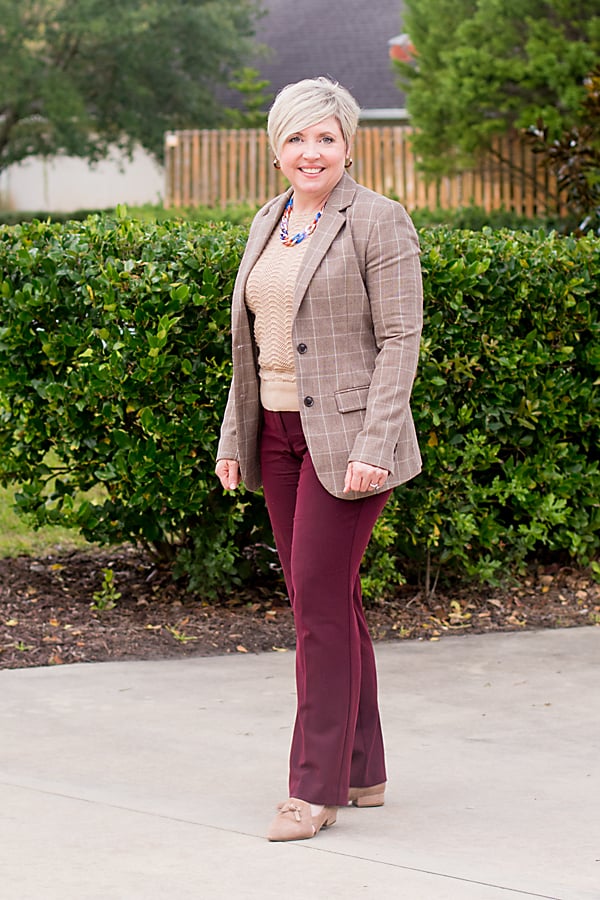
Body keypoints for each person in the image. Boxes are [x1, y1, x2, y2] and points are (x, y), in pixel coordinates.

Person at [215, 76, 423, 842]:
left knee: (317, 605)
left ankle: (314, 788)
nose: (312, 151)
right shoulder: (268, 220)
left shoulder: (378, 221)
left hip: (347, 443)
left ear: (348, 145)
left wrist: (375, 445)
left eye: (326, 137)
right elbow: (250, 342)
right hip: (274, 435)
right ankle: (362, 768)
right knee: (325, 602)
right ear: (277, 149)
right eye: (297, 138)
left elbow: (401, 341)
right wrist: (234, 438)